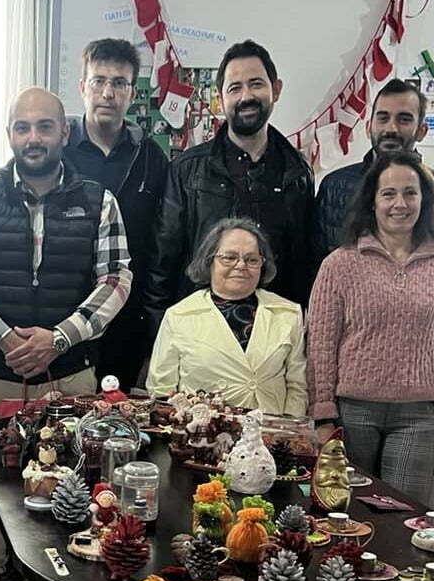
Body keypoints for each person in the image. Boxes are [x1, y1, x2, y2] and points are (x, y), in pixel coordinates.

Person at [0, 87, 131, 581]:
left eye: (45, 127)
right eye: (22, 127)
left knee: (74, 478)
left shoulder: (98, 200)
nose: (33, 138)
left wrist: (60, 338)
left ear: (64, 133)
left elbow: (117, 279)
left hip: (69, 371)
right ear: (10, 135)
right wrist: (5, 338)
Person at [307, 150, 434, 507]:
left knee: (405, 516)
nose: (400, 204)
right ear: (372, 201)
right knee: (345, 512)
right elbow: (320, 344)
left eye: (410, 193)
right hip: (352, 412)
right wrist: (323, 413)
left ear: (424, 200)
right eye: (388, 193)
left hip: (418, 416)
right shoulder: (339, 264)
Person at [145, 40, 316, 331]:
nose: (246, 96)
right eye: (235, 88)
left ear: (276, 89)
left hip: (274, 336)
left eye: (256, 84)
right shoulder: (187, 170)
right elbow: (162, 264)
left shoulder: (298, 174)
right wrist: (158, 338)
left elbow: (304, 268)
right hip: (199, 333)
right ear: (221, 98)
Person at [64, 38, 170, 392]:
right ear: (83, 87)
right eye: (99, 81)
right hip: (67, 317)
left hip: (129, 319)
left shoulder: (151, 158)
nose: (107, 93)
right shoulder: (58, 151)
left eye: (119, 83)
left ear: (132, 93)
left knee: (120, 419)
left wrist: (154, 332)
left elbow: (162, 246)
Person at [147, 217, 306, 415]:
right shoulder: (179, 316)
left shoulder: (288, 314)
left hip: (272, 430)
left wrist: (289, 428)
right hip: (203, 431)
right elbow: (161, 391)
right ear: (209, 261)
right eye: (229, 258)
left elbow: (299, 387)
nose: (241, 265)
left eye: (252, 259)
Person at [315, 78, 434, 263]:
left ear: (421, 131)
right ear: (368, 127)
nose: (391, 128)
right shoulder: (333, 186)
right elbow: (315, 265)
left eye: (404, 119)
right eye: (383, 118)